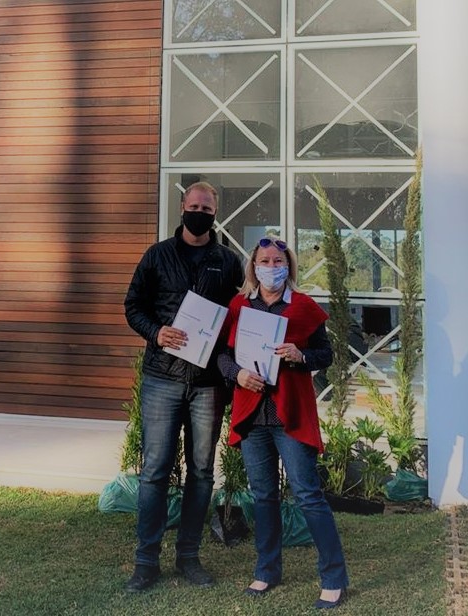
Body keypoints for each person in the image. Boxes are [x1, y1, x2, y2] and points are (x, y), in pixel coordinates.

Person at [123, 181, 244, 592]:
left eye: (207, 208)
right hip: (162, 377)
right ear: (181, 207)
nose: (199, 213)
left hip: (208, 384)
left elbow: (240, 312)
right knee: (154, 471)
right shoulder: (157, 255)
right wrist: (156, 332)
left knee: (203, 472)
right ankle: (146, 562)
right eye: (194, 206)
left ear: (215, 213)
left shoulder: (228, 261)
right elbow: (132, 306)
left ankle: (189, 556)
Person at [217, 236, 350, 610]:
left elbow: (325, 354)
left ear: (288, 266)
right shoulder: (240, 306)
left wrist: (300, 355)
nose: (271, 267)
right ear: (253, 266)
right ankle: (267, 570)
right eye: (264, 261)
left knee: (307, 494)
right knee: (263, 496)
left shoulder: (303, 306)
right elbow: (223, 356)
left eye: (278, 261)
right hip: (252, 416)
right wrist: (238, 375)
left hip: (289, 415)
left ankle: (334, 577)